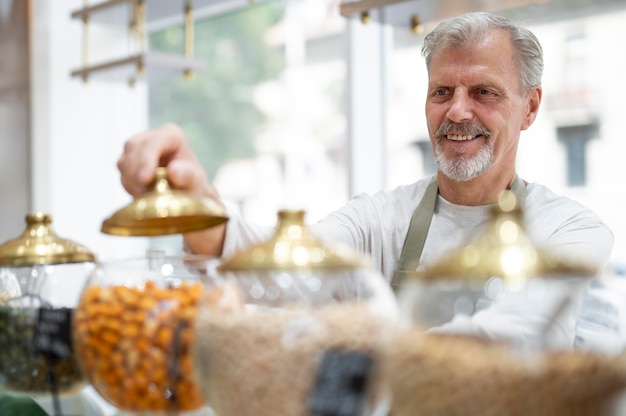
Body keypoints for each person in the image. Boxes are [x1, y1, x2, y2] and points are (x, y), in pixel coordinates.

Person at [117, 12, 614, 350]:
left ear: (530, 107)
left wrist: (362, 349)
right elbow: (283, 269)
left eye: (484, 91)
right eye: (442, 91)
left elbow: (516, 334)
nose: (457, 110)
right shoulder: (379, 219)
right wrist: (198, 205)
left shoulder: (570, 232)